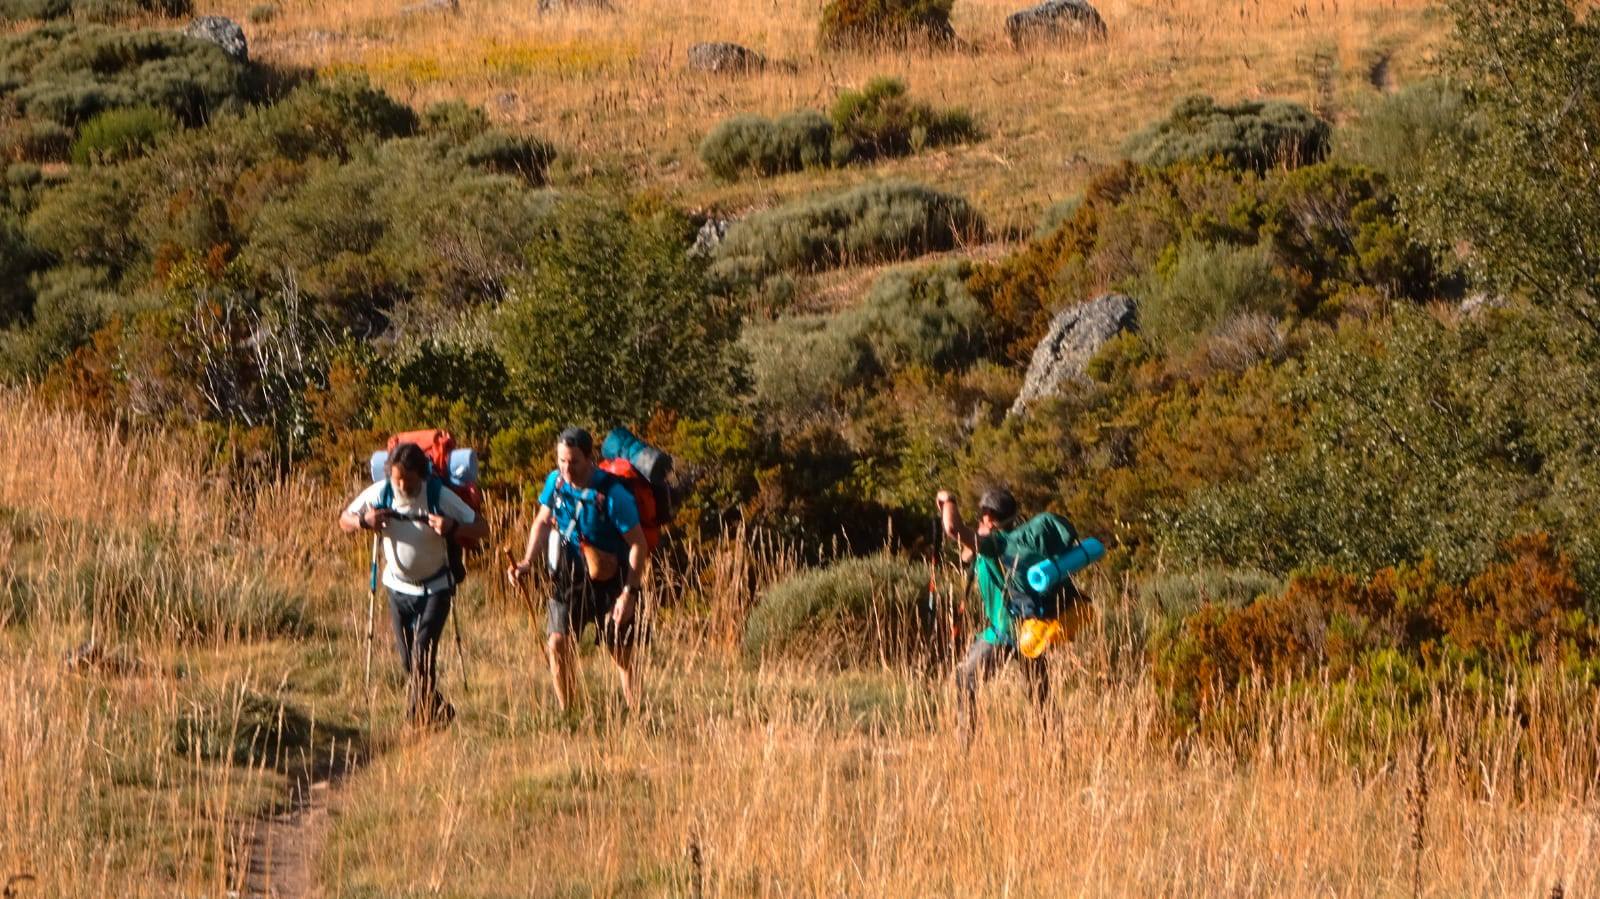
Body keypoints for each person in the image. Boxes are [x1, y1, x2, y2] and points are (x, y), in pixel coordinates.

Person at [339, 442, 487, 727]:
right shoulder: (381, 492)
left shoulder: (438, 495)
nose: (401, 484)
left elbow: (482, 528)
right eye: (396, 478)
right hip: (397, 588)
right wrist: (363, 521)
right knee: (409, 662)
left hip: (437, 588)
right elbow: (344, 520)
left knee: (422, 654)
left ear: (422, 474)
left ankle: (416, 720)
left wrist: (452, 527)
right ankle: (438, 709)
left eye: (407, 478)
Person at [507, 427, 651, 712]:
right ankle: (568, 714)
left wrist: (629, 594)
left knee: (621, 652)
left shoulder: (613, 495)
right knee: (557, 643)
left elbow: (639, 545)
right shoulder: (556, 483)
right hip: (570, 575)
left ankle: (638, 715)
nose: (566, 468)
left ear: (589, 458)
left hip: (614, 580)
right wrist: (526, 561)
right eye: (561, 461)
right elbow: (543, 521)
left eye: (573, 461)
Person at [937, 484, 1053, 742]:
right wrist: (975, 536)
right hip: (1031, 629)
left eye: (983, 515)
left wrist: (949, 500)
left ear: (989, 517)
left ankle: (965, 744)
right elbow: (967, 554)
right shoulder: (1015, 540)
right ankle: (1055, 750)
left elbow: (953, 529)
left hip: (1004, 631)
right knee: (1041, 694)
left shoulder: (996, 543)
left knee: (965, 678)